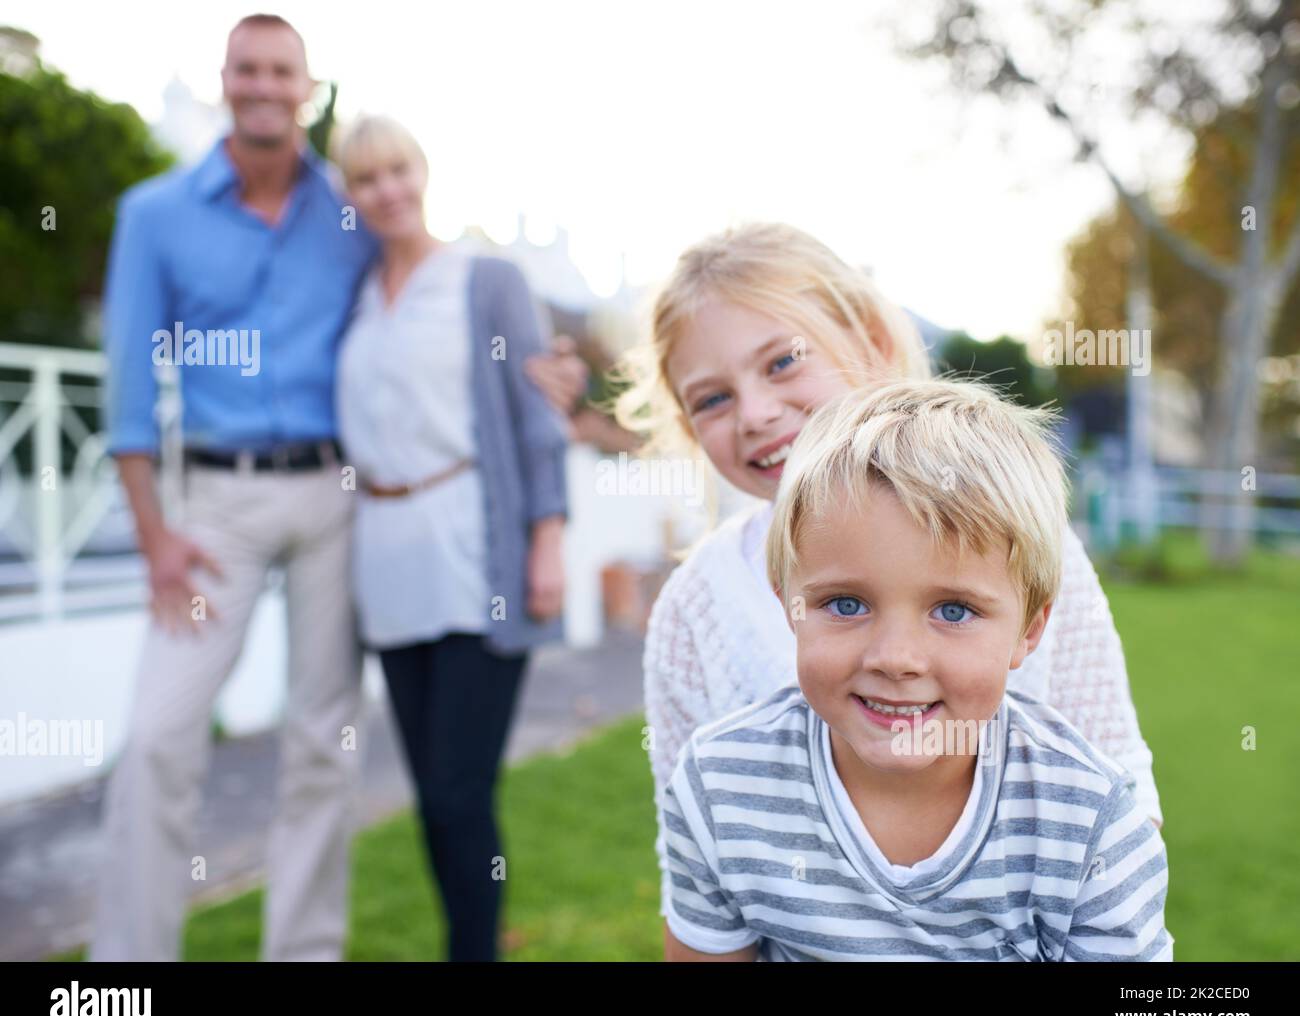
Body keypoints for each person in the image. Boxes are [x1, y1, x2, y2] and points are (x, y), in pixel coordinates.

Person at [614, 223, 1165, 945]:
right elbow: (696, 862)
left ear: (872, 343)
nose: (753, 412)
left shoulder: (1023, 544)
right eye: (712, 399)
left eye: (782, 361)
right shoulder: (693, 606)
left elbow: (1119, 788)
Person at [661, 378, 1173, 961]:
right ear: (788, 603)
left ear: (1029, 628)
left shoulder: (1089, 824)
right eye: (846, 605)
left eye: (953, 611)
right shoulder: (721, 787)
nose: (895, 659)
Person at [91, 14, 378, 961]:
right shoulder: (154, 213)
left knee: (322, 742)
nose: (262, 84)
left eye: (280, 70)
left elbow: (417, 300)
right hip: (214, 508)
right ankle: (127, 970)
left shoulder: (350, 213)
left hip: (334, 495)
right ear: (225, 79)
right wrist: (154, 538)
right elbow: (129, 387)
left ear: (306, 86)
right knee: (157, 738)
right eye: (246, 68)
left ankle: (305, 951)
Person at [331, 115, 568, 961]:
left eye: (397, 169)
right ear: (348, 196)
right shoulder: (355, 296)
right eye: (364, 178)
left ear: (423, 171)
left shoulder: (485, 279)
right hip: (388, 563)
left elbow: (538, 421)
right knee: (434, 794)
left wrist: (547, 541)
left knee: (461, 792)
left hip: (478, 556)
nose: (385, 189)